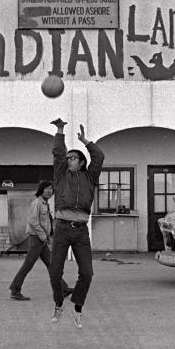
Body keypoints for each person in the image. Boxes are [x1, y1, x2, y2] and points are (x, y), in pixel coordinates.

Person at [48, 118, 104, 329]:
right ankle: (59, 302)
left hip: (81, 231)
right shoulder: (61, 175)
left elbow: (99, 156)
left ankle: (78, 306)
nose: (69, 160)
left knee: (87, 273)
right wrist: (60, 131)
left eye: (73, 158)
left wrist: (85, 142)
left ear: (81, 162)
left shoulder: (90, 177)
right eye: (68, 158)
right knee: (55, 272)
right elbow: (58, 154)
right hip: (62, 228)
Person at [8, 180, 72, 301]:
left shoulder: (45, 204)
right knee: (28, 265)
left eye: (51, 189)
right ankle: (15, 290)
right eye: (47, 188)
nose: (49, 191)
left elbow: (46, 222)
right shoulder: (36, 203)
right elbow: (33, 222)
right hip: (36, 239)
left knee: (51, 265)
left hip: (41, 239)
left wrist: (48, 235)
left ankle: (63, 288)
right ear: (41, 190)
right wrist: (43, 236)